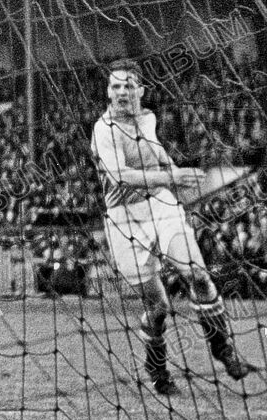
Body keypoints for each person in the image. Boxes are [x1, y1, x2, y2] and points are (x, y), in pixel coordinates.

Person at [90, 59, 256, 394]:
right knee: (158, 307)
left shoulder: (148, 118)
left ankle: (222, 348)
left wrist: (171, 171)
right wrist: (172, 176)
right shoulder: (103, 129)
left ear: (140, 90)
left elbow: (155, 153)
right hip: (124, 219)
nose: (121, 92)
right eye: (115, 86)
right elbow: (120, 175)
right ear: (108, 91)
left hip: (161, 204)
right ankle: (157, 368)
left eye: (127, 85)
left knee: (197, 274)